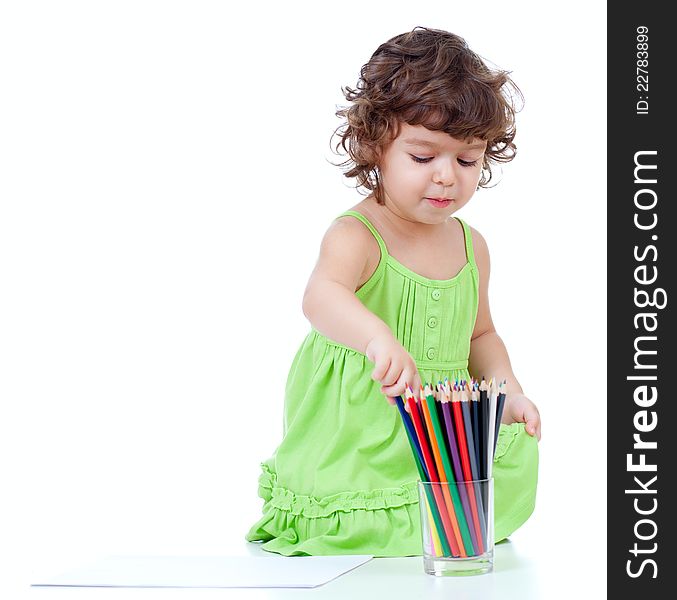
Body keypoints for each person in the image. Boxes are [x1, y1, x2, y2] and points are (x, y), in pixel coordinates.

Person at [245, 26, 540, 557]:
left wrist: (509, 389)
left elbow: (482, 333)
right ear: (374, 145)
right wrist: (376, 337)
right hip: (364, 417)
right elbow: (321, 296)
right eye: (423, 157)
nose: (447, 177)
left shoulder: (472, 247)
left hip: (440, 423)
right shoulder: (357, 234)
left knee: (501, 473)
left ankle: (441, 523)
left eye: (467, 160)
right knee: (354, 497)